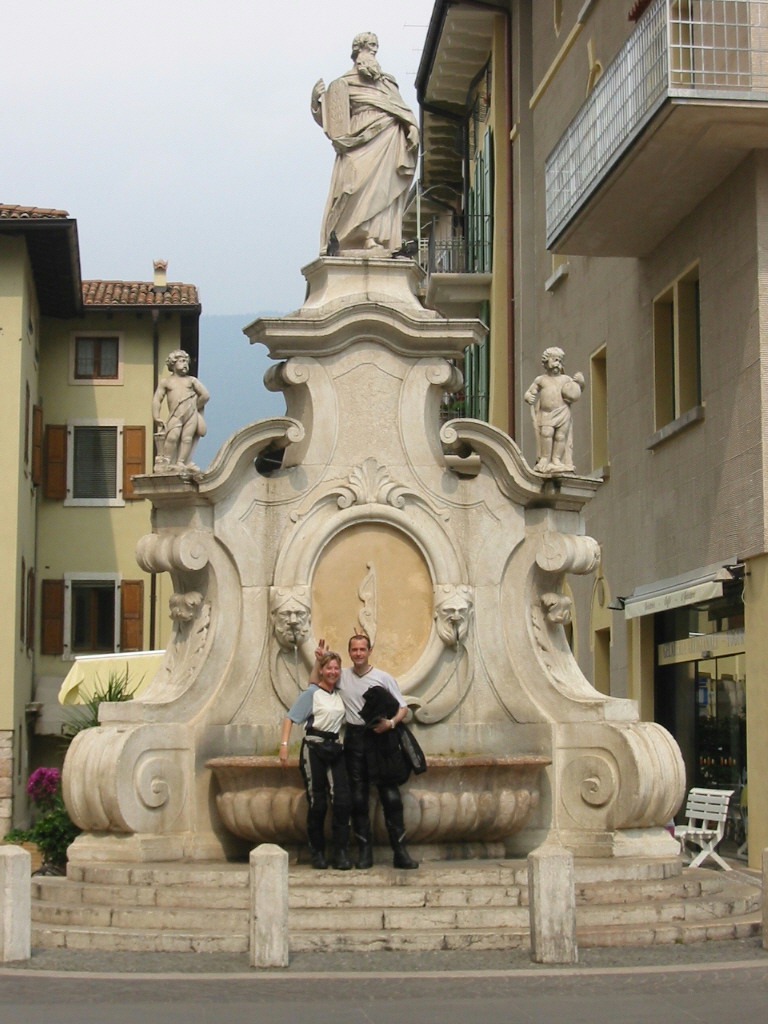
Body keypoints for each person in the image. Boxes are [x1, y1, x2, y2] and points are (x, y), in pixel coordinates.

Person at [314, 633, 418, 870]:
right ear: (349, 652)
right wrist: (320, 661)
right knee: (358, 797)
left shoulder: (383, 677)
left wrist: (390, 723)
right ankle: (364, 853)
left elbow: (402, 708)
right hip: (355, 738)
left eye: (362, 649)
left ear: (370, 651)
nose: (358, 653)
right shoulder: (342, 676)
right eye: (354, 650)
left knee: (390, 795)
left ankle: (400, 852)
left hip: (381, 737)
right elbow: (316, 685)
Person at [311, 32, 419, 254]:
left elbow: (402, 109)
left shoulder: (387, 83)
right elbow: (332, 120)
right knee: (350, 186)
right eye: (369, 47)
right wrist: (316, 102)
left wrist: (413, 128)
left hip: (388, 136)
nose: (374, 51)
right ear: (357, 51)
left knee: (382, 188)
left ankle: (372, 236)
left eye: (375, 47)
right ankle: (341, 237)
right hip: (356, 140)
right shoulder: (344, 84)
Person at [279, 651, 352, 870]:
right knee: (318, 802)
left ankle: (341, 852)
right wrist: (284, 746)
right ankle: (317, 852)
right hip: (314, 747)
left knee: (342, 800)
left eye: (336, 668)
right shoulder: (311, 693)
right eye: (328, 668)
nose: (333, 672)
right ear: (321, 670)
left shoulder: (339, 694)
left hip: (335, 747)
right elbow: (290, 718)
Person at [524, 347, 584, 474]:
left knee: (560, 436)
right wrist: (529, 397)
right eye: (555, 360)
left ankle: (556, 459)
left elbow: (577, 391)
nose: (557, 363)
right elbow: (530, 392)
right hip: (546, 413)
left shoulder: (566, 379)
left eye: (560, 361)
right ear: (546, 362)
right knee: (546, 434)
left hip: (563, 412)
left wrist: (581, 382)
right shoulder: (541, 380)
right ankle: (545, 458)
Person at [152, 350, 210, 473]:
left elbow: (205, 395)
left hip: (191, 414)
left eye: (186, 362)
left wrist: (194, 406)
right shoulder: (167, 382)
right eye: (182, 361)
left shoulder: (191, 380)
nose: (185, 364)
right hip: (176, 415)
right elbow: (157, 399)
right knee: (172, 437)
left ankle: (181, 462)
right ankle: (167, 460)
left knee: (187, 438)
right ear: (173, 363)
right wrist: (156, 416)